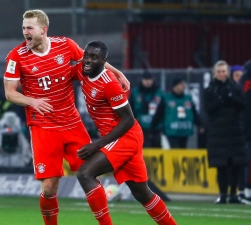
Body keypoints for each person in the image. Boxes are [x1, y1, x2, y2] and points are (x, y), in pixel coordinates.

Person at [3, 9, 130, 225]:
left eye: (29, 28)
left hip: (71, 124)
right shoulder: (16, 56)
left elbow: (93, 60)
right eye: (24, 27)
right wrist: (33, 101)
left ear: (43, 30)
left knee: (90, 175)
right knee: (49, 187)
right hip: (43, 127)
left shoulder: (65, 45)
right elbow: (9, 92)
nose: (25, 32)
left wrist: (117, 72)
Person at [72, 41, 176, 225]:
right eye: (86, 55)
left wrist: (97, 144)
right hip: (120, 137)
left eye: (93, 57)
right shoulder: (82, 70)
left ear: (104, 61)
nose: (87, 60)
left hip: (125, 136)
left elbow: (128, 119)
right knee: (142, 193)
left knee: (85, 173)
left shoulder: (110, 84)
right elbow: (60, 73)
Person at [204, 60, 248, 204]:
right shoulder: (210, 89)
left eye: (224, 71)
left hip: (235, 131)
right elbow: (208, 109)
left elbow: (243, 104)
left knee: (236, 164)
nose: (222, 74)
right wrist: (221, 100)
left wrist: (231, 97)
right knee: (221, 166)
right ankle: (223, 194)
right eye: (219, 71)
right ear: (215, 73)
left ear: (227, 73)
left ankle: (234, 194)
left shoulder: (235, 87)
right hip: (217, 133)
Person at [150, 77, 202, 149]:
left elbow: (194, 113)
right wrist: (152, 126)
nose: (184, 86)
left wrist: (200, 125)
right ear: (175, 86)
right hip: (171, 132)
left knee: (183, 151)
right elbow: (159, 114)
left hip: (185, 131)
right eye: (181, 84)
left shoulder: (188, 98)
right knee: (174, 150)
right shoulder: (166, 98)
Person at [129, 71, 164, 148]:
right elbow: (130, 108)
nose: (148, 81)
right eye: (146, 79)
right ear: (142, 80)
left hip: (155, 127)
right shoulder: (135, 93)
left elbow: (163, 110)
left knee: (156, 149)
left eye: (150, 79)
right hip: (140, 127)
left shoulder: (159, 93)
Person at [239, 57, 251, 203]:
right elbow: (246, 103)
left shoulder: (247, 77)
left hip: (249, 125)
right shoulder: (249, 76)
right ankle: (249, 188)